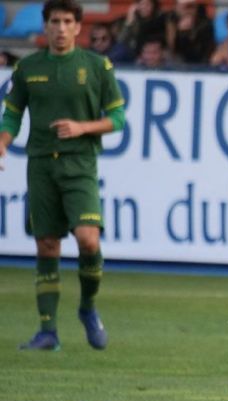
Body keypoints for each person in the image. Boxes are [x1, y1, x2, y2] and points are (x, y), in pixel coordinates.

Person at [0, 0, 125, 351]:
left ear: (77, 26)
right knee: (47, 244)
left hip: (80, 163)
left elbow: (117, 118)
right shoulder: (28, 67)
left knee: (88, 240)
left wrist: (82, 126)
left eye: (67, 21)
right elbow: (12, 115)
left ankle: (87, 306)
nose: (60, 27)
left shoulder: (97, 66)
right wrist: (3, 142)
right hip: (40, 164)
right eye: (54, 21)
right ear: (46, 25)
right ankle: (48, 332)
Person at [165, 0, 215, 65]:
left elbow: (201, 54)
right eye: (185, 7)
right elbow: (171, 49)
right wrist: (174, 31)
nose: (188, 11)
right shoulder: (170, 20)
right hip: (175, 62)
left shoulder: (205, 25)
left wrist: (185, 34)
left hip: (198, 64)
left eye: (191, 7)